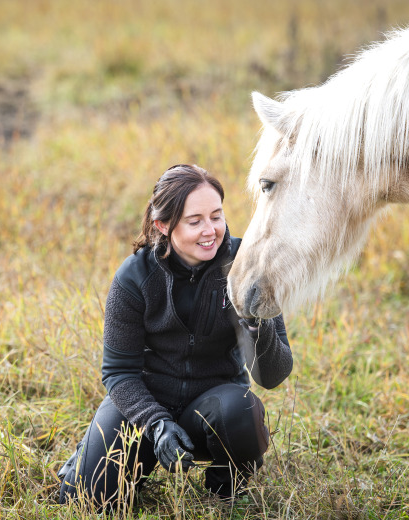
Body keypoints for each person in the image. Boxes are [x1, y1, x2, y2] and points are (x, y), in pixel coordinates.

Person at [57, 164, 293, 510]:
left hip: (215, 406)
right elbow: (118, 373)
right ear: (163, 225)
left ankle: (224, 491)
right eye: (194, 221)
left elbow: (272, 376)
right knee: (86, 501)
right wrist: (156, 424)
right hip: (146, 407)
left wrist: (260, 323)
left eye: (216, 216)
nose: (210, 230)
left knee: (242, 410)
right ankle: (95, 461)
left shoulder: (248, 266)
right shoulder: (135, 276)